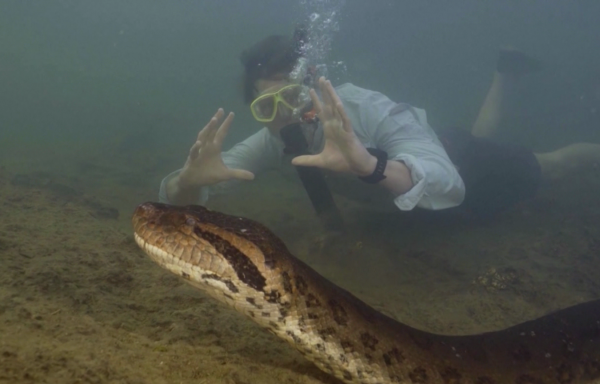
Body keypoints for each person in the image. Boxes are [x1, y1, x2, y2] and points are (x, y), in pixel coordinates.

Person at [159, 29, 600, 220]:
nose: (286, 115)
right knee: (484, 134)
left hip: (459, 159)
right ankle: (505, 72)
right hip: (422, 195)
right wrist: (186, 185)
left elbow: (450, 183)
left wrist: (369, 164)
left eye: (292, 97)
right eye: (266, 107)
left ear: (312, 87)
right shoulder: (276, 140)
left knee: (553, 167)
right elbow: (178, 196)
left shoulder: (367, 109)